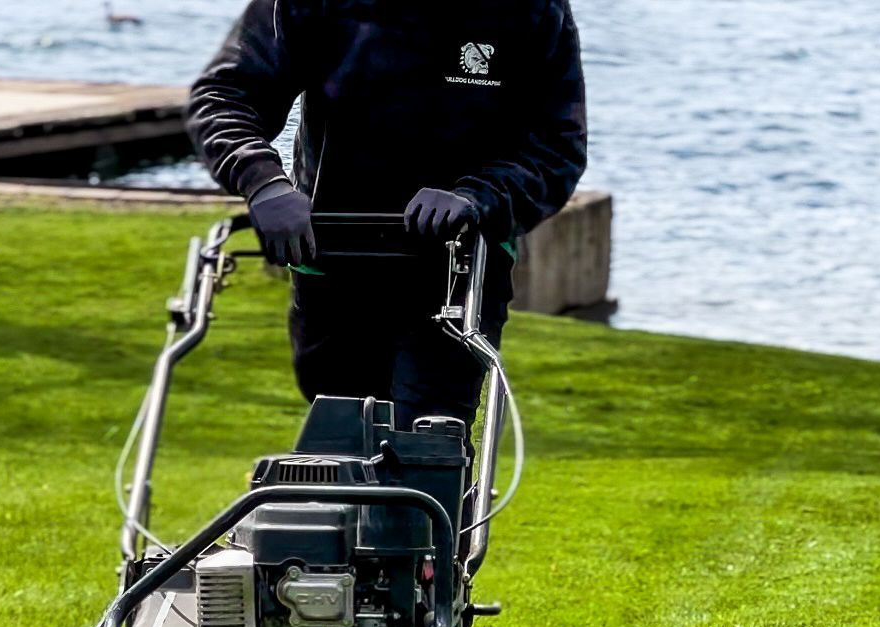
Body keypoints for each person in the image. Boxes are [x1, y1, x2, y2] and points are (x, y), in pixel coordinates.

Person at [187, 0, 587, 430]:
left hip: (458, 269)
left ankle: (434, 491)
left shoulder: (533, 11)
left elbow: (556, 146)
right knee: (338, 431)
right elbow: (225, 96)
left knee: (429, 437)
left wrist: (479, 197)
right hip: (333, 260)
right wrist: (263, 181)